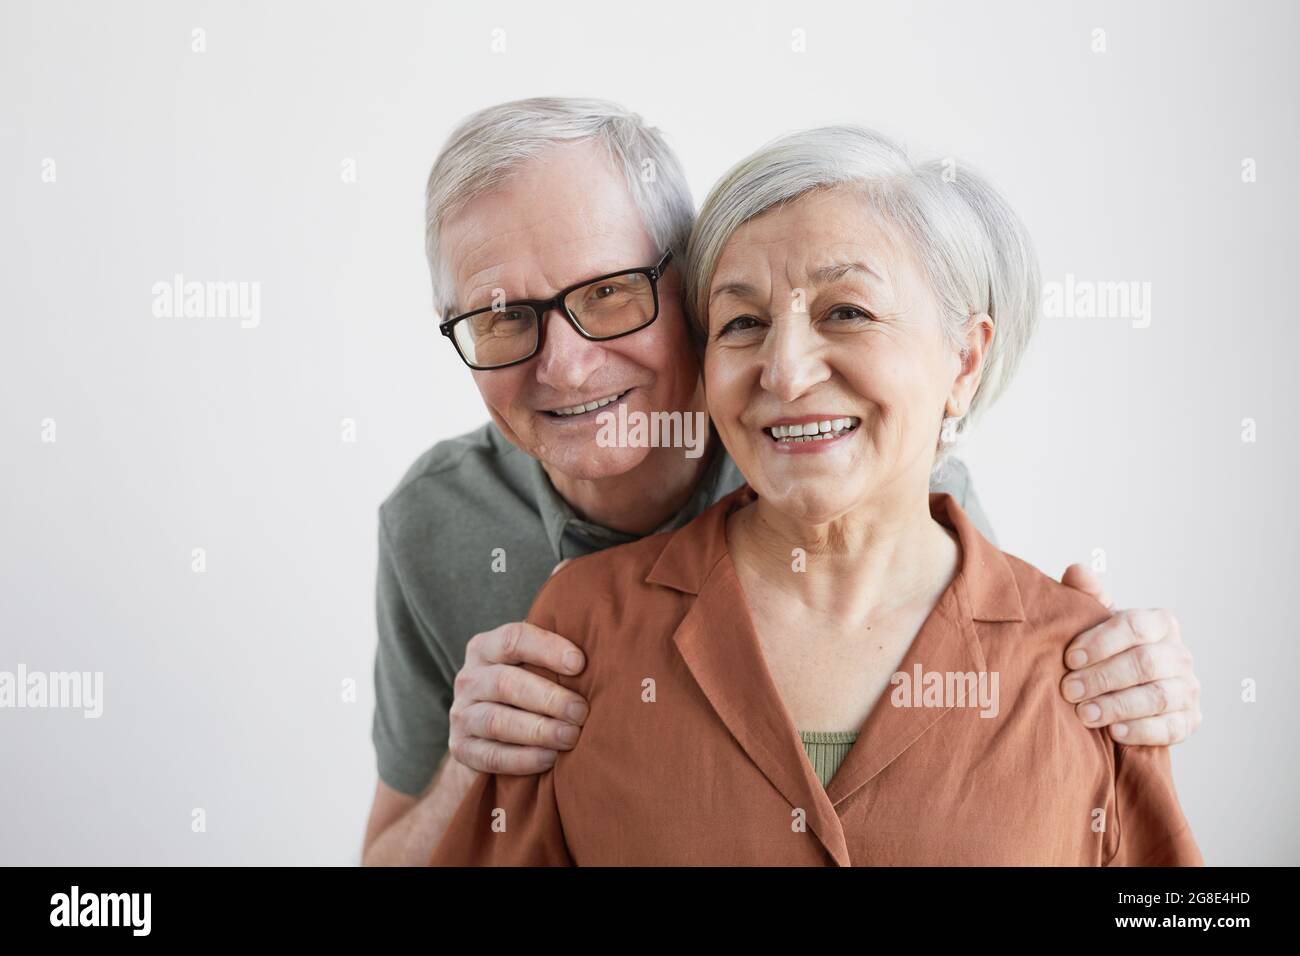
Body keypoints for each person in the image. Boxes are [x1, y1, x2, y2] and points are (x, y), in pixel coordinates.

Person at [362, 99, 1202, 866]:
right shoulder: (440, 527)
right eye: (505, 315)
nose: (569, 365)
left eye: (610, 292)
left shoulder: (866, 468)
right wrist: (467, 762)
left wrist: (1127, 679)